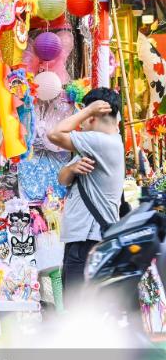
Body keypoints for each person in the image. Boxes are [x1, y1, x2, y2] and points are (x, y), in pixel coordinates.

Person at [48, 87, 125, 303]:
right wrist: (72, 169)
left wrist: (86, 110)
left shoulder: (102, 142)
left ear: (94, 116)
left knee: (78, 310)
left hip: (88, 240)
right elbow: (62, 178)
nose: (79, 121)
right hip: (85, 238)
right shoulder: (98, 145)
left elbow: (53, 134)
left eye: (84, 114)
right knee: (82, 308)